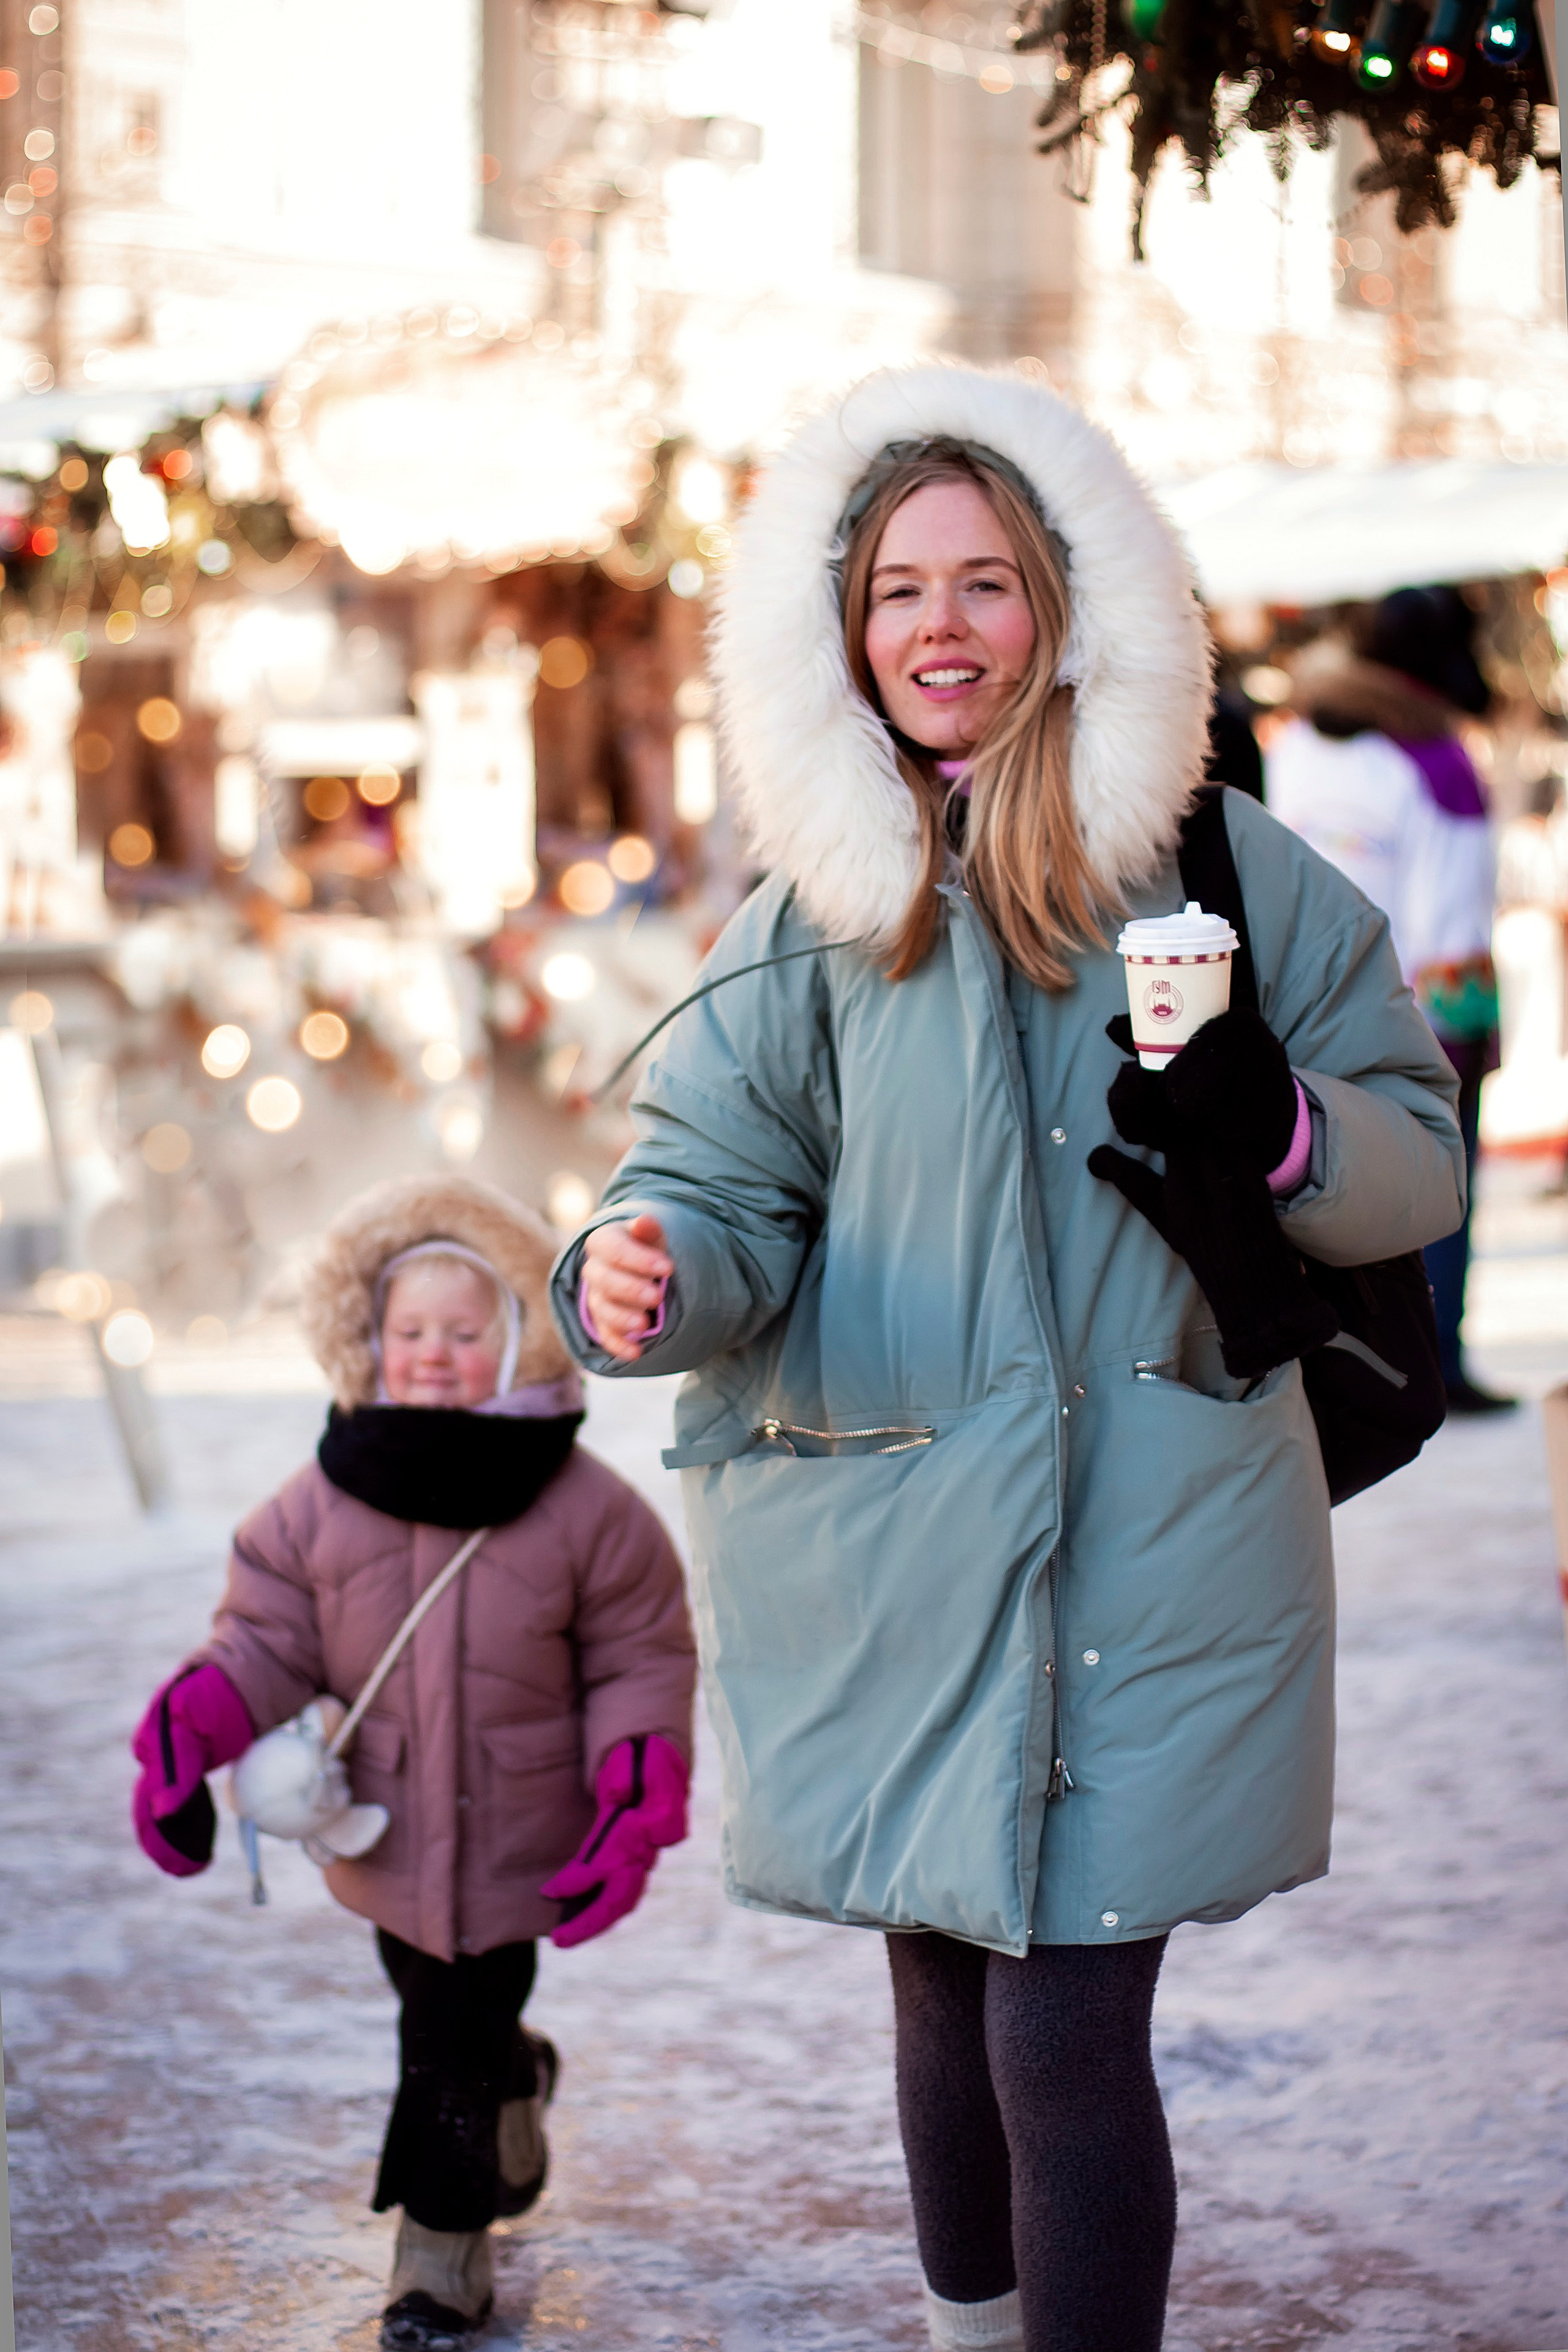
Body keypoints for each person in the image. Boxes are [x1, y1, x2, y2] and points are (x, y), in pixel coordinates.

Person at [548, 366, 1464, 2352]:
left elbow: (1417, 1159)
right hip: (888, 1548)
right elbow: (712, 1186)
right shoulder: (806, 923)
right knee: (945, 1997)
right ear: (842, 634)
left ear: (1065, 605)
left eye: (984, 581)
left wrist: (1278, 1127)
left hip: (1157, 1542)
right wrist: (643, 1273)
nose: (941, 626)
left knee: (1062, 2021)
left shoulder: (1230, 878)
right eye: (897, 589)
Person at [130, 1174, 696, 2352]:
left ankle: (439, 2257)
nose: (435, 1354)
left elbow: (637, 1656)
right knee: (445, 2013)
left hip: (522, 1833)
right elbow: (268, 1635)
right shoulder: (321, 1500)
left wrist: (636, 1786)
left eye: (465, 1331)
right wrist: (196, 1726)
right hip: (385, 1834)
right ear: (366, 1339)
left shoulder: (587, 1510)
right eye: (410, 1331)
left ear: (520, 1338)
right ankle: (515, 2079)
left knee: (447, 2028)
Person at [1266, 587, 1510, 1414]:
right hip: (1414, 1014)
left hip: (1297, 1004)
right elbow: (1455, 914)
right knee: (1431, 1187)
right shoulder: (1437, 761)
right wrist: (1469, 1035)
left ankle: (1344, 1367)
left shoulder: (1297, 742)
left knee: (1319, 1190)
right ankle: (1435, 1361)